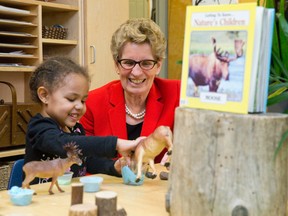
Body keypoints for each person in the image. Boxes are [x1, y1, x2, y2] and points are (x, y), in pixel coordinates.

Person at [80, 18, 180, 175]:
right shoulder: (92, 102)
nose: (137, 72)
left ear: (158, 65)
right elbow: (83, 159)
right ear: (116, 65)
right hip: (108, 193)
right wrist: (114, 167)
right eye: (128, 62)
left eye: (146, 63)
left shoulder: (177, 94)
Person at [24, 56, 143, 184]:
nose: (80, 106)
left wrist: (113, 167)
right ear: (44, 95)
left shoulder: (76, 128)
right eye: (71, 99)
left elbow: (87, 161)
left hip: (69, 197)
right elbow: (63, 143)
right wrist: (115, 144)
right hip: (43, 201)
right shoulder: (39, 128)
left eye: (83, 100)